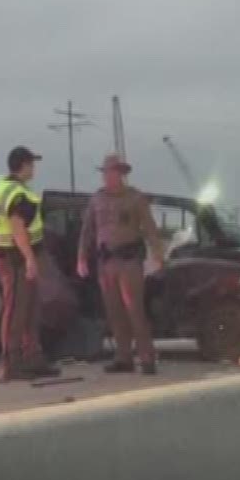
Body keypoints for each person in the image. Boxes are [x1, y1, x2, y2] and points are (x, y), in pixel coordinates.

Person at [76, 153, 169, 375]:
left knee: (134, 310)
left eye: (112, 172)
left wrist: (157, 255)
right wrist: (81, 257)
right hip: (106, 262)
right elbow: (87, 231)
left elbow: (150, 229)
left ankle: (147, 357)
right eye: (105, 172)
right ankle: (123, 357)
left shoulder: (135, 198)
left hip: (129, 262)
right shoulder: (97, 199)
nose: (108, 176)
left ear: (121, 174)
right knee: (114, 312)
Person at [0, 145, 57, 382]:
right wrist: (29, 259)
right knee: (16, 311)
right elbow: (18, 227)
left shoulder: (9, 188)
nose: (34, 168)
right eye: (32, 164)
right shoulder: (17, 193)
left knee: (29, 311)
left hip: (15, 258)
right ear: (23, 165)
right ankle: (10, 363)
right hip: (15, 260)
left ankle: (32, 359)